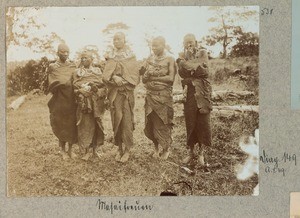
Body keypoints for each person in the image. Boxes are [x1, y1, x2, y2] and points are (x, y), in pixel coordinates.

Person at [102, 32, 140, 163]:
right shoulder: (110, 57)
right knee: (116, 120)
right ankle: (119, 149)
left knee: (127, 121)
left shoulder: (131, 56)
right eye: (114, 39)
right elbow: (105, 74)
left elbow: (135, 75)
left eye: (119, 39)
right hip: (114, 94)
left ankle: (128, 150)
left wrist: (124, 81)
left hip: (126, 94)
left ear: (125, 40)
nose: (116, 41)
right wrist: (113, 77)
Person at [177, 34, 212, 166]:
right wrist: (192, 67)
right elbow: (181, 73)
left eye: (191, 42)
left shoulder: (202, 52)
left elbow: (203, 71)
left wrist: (186, 65)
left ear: (196, 42)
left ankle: (201, 154)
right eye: (186, 43)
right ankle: (191, 153)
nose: (189, 45)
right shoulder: (182, 54)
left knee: (203, 122)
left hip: (202, 92)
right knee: (190, 122)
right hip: (189, 93)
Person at [141, 36, 175, 160]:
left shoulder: (170, 59)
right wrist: (147, 74)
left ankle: (166, 148)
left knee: (163, 122)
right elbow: (143, 79)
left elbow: (170, 79)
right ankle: (155, 148)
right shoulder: (149, 59)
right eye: (152, 45)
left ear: (164, 45)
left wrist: (153, 77)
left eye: (157, 45)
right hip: (150, 96)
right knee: (151, 121)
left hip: (163, 97)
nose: (154, 48)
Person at [73, 50, 107, 161]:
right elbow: (74, 87)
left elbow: (103, 85)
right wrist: (81, 90)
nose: (83, 60)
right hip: (84, 103)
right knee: (85, 125)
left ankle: (95, 151)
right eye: (82, 58)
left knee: (97, 124)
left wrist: (95, 88)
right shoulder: (77, 72)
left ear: (92, 59)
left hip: (96, 102)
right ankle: (86, 151)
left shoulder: (97, 71)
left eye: (86, 58)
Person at [47, 43, 77, 159]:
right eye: (62, 51)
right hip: (59, 99)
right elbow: (51, 82)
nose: (65, 54)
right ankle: (62, 150)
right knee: (61, 123)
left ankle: (70, 150)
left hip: (71, 98)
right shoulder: (53, 66)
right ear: (57, 52)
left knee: (71, 123)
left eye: (67, 52)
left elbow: (76, 80)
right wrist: (63, 83)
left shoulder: (73, 65)